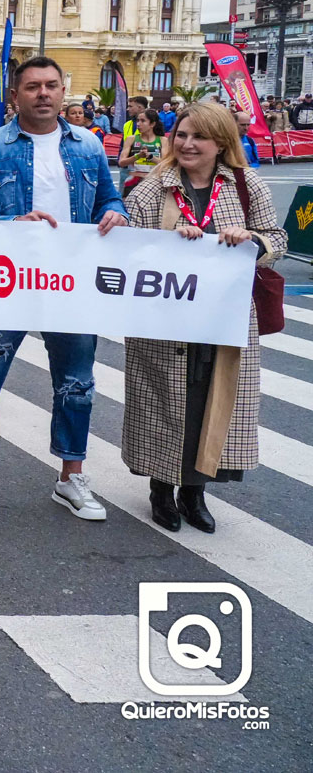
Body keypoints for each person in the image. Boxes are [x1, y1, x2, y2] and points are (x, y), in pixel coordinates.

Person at [0, 56, 127, 520]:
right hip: (8, 282)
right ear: (15, 95)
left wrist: (116, 212)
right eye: (33, 86)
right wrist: (10, 221)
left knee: (76, 383)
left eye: (51, 85)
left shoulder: (89, 145)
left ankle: (71, 476)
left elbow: (109, 197)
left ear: (64, 92)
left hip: (71, 283)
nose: (43, 93)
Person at [122, 101, 286, 533]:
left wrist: (251, 239)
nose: (188, 144)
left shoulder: (245, 184)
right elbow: (127, 250)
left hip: (224, 320)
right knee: (164, 402)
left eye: (199, 136)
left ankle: (194, 493)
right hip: (164, 320)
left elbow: (277, 239)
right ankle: (161, 488)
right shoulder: (151, 188)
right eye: (181, 135)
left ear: (221, 142)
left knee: (210, 402)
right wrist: (168, 242)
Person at [118, 108, 167, 195]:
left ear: (152, 124)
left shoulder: (163, 140)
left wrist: (151, 157)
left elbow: (166, 164)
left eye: (143, 121)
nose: (138, 124)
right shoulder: (131, 139)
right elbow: (121, 163)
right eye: (137, 120)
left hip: (154, 183)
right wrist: (138, 156)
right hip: (133, 182)